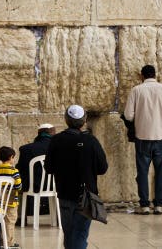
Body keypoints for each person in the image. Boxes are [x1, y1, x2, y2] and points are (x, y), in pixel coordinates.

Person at [45, 105, 108, 249]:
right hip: (85, 196)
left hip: (65, 193)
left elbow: (48, 168)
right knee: (80, 233)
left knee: (69, 233)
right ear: (84, 120)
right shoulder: (91, 141)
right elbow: (103, 168)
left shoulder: (56, 140)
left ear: (66, 119)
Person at [123, 64, 162, 215]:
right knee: (161, 172)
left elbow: (128, 115)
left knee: (142, 172)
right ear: (155, 75)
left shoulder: (136, 90)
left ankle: (144, 205)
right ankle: (159, 205)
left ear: (142, 76)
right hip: (161, 137)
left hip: (142, 137)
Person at [17, 123, 55, 222]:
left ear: (38, 133)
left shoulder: (25, 149)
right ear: (52, 133)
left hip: (32, 186)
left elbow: (20, 168)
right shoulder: (59, 148)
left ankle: (20, 218)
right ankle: (59, 218)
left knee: (17, 184)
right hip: (55, 186)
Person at [0, 147, 22, 249]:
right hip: (11, 201)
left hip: (0, 200)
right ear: (11, 157)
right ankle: (10, 242)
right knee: (10, 221)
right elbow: (18, 186)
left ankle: (2, 240)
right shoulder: (14, 170)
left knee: (1, 220)